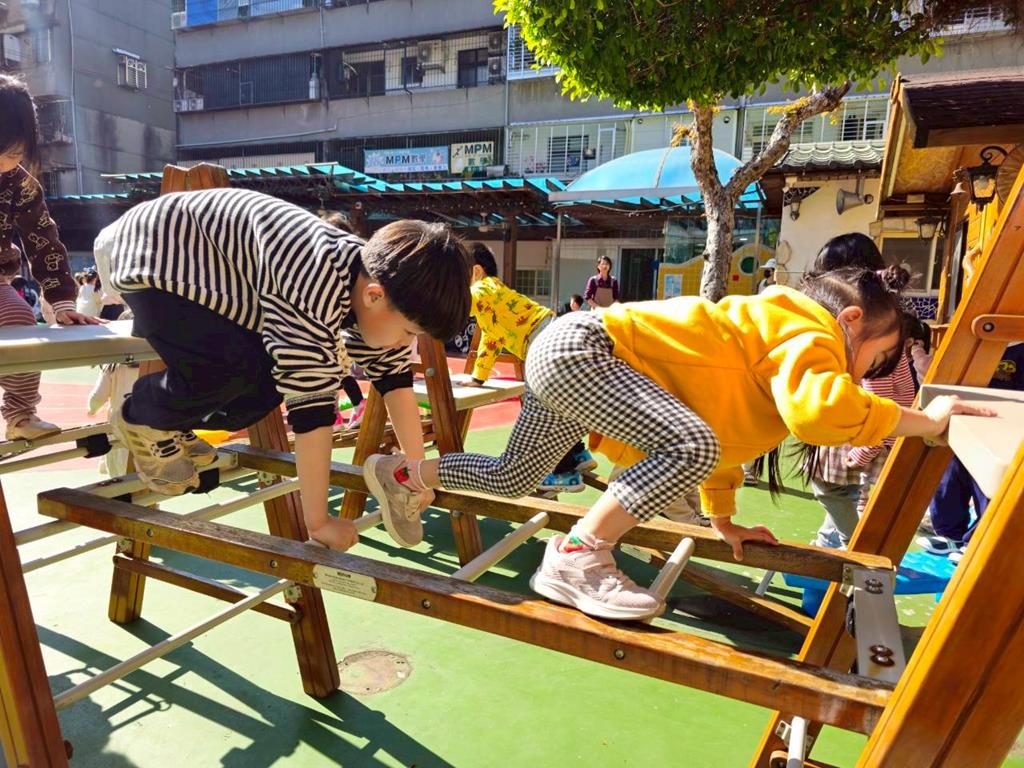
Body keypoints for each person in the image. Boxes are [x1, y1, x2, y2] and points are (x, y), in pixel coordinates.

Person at [362, 264, 992, 620]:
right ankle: (578, 553)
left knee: (514, 476)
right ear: (851, 320)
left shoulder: (767, 344)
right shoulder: (811, 330)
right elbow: (821, 413)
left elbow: (718, 434)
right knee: (690, 446)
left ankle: (404, 474)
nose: (862, 376)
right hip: (587, 348)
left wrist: (723, 520)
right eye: (873, 360)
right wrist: (924, 421)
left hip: (567, 349)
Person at [98, 188, 470, 550]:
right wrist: (319, 523)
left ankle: (173, 417)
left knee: (266, 384)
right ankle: (142, 414)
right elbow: (312, 410)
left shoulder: (369, 284)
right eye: (409, 332)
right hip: (153, 253)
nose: (406, 343)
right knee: (235, 369)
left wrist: (415, 472)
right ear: (374, 295)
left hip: (214, 268)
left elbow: (395, 380)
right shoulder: (317, 281)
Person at [0, 73, 99, 442]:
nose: (4, 162)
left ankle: (20, 414)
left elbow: (43, 241)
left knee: (19, 316)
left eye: (13, 154)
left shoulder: (20, 184)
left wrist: (61, 302)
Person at [463, 243, 595, 496]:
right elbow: (491, 342)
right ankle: (577, 454)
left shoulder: (484, 287)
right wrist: (478, 378)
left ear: (476, 271)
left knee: (544, 409)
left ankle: (563, 471)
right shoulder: (493, 304)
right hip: (550, 334)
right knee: (557, 404)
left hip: (544, 339)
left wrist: (436, 300)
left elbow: (461, 305)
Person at [918, 341, 1024, 560]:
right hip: (963, 419)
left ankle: (977, 541)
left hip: (1002, 427)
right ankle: (949, 534)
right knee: (948, 478)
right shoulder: (970, 342)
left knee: (987, 485)